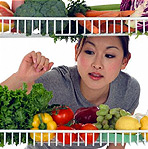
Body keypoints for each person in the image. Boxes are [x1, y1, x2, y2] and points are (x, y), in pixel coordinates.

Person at [1, 36, 140, 149]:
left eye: (109, 55)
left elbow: (117, 143)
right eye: (89, 52)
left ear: (125, 61)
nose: (97, 64)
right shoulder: (56, 82)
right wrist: (20, 78)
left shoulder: (128, 90)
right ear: (76, 52)